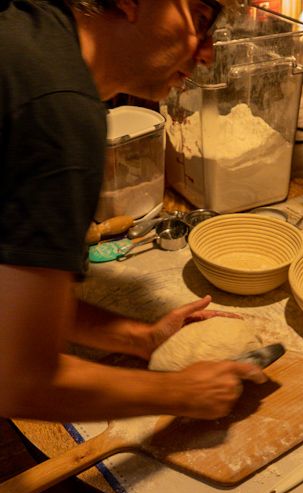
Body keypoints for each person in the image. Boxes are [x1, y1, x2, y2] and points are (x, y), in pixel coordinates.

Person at [0, 0, 266, 423]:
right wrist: (181, 392)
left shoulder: (31, 36)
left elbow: (10, 294)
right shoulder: (56, 110)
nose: (208, 52)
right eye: (199, 19)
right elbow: (20, 379)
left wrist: (142, 338)